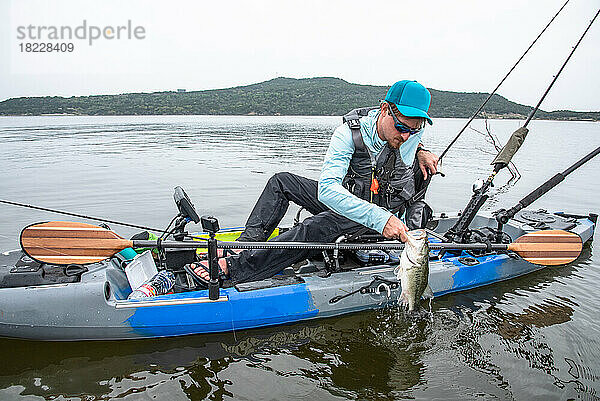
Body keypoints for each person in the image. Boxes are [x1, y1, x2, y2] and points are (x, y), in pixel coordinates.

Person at [185, 80, 439, 286]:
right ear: (384, 109)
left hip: (386, 216)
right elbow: (328, 191)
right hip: (361, 208)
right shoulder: (348, 135)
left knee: (314, 227)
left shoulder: (412, 133)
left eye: (414, 130)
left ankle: (235, 268)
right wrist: (378, 218)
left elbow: (409, 140)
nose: (405, 136)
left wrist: (421, 150)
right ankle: (245, 246)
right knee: (281, 182)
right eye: (400, 127)